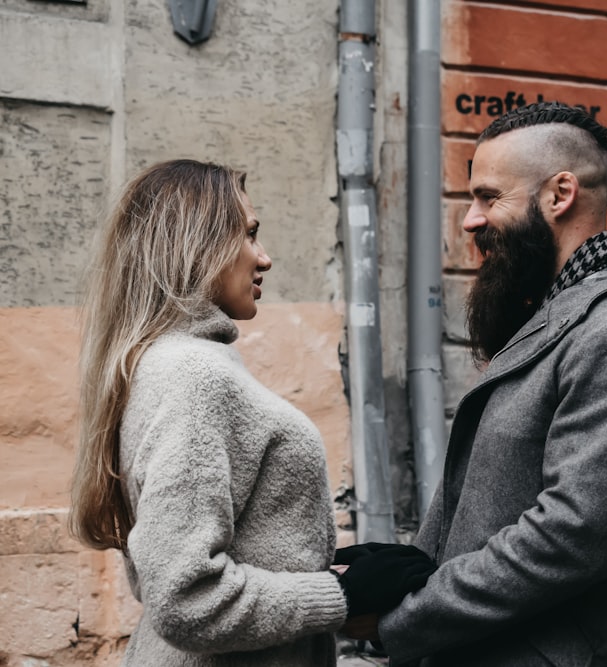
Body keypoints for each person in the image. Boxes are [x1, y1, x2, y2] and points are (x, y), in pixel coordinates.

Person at [343, 101, 607, 665]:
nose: (470, 219)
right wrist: (406, 574)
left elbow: (567, 540)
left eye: (489, 198)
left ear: (560, 195)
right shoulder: (556, 317)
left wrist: (404, 619)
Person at [69, 159, 436, 666]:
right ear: (195, 244)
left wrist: (325, 569)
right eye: (249, 235)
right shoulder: (192, 375)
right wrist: (338, 595)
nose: (263, 259)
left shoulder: (173, 363)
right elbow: (186, 600)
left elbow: (209, 553)